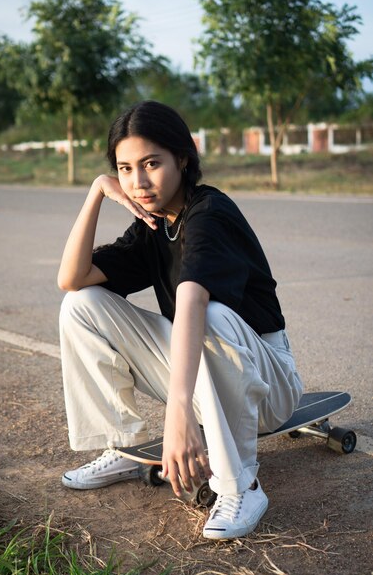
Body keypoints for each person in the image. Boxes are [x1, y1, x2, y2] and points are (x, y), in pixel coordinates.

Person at [57, 100, 303, 540]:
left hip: (267, 383)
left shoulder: (210, 213)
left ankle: (241, 484)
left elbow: (191, 299)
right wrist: (97, 190)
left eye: (151, 164)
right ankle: (128, 449)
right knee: (81, 303)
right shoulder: (152, 225)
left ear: (183, 157)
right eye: (125, 168)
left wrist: (177, 415)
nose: (138, 182)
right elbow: (70, 278)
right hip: (208, 378)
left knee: (206, 312)